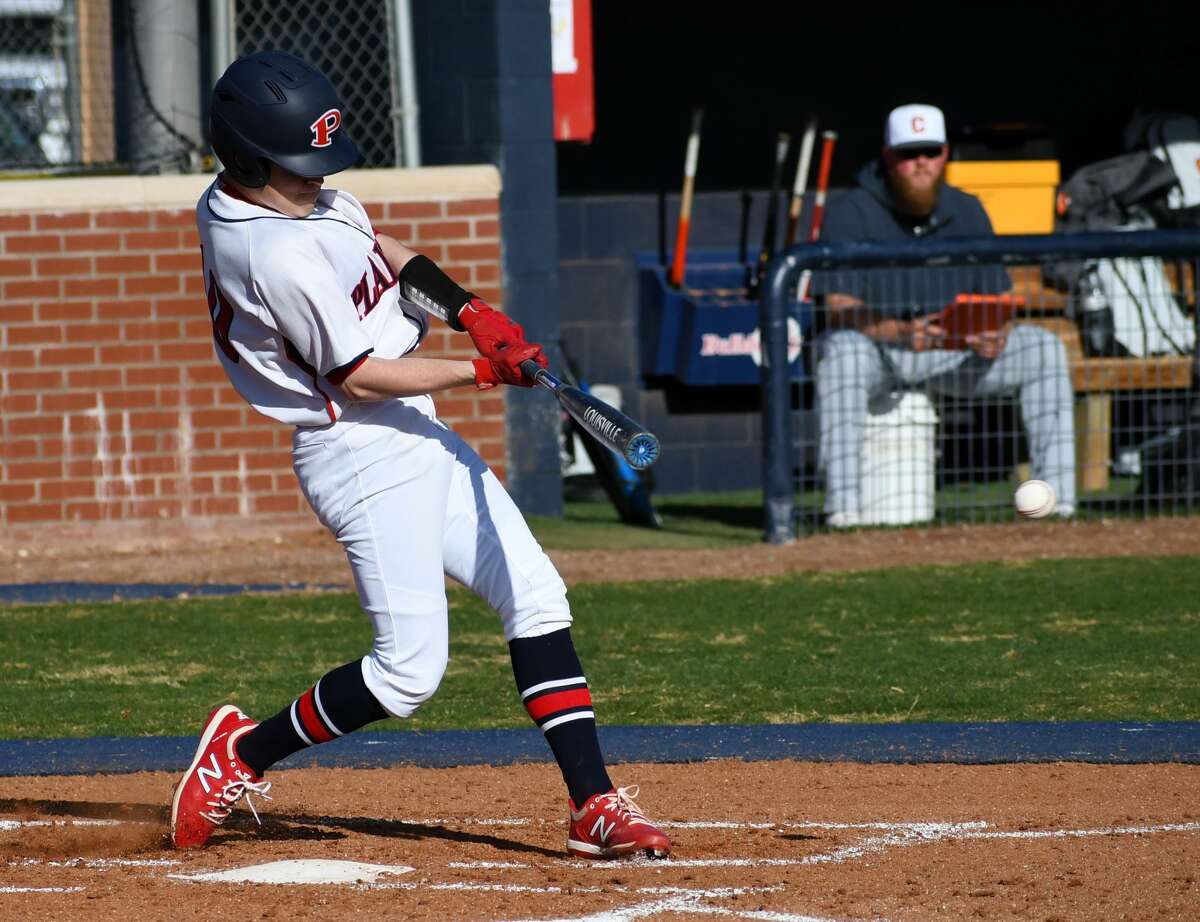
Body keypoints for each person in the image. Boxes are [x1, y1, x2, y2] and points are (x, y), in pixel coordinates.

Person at [169, 50, 670, 861]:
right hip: (357, 448)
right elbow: (358, 377)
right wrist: (484, 370)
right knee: (407, 674)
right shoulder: (270, 253)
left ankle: (593, 805)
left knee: (537, 596)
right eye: (301, 166)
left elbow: (381, 246)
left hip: (413, 425)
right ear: (247, 157)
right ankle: (241, 753)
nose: (318, 180)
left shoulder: (300, 200)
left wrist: (469, 309)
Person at [812, 103, 1077, 527]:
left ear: (946, 153)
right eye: (909, 153)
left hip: (953, 353)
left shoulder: (967, 209)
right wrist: (899, 331)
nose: (921, 164)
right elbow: (837, 309)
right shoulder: (853, 211)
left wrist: (994, 332)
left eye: (930, 152)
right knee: (840, 352)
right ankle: (843, 509)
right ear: (888, 157)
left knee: (1042, 349)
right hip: (879, 354)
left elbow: (998, 298)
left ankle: (1057, 502)